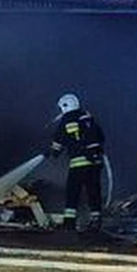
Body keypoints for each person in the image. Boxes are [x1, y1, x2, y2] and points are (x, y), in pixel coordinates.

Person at [46, 93, 105, 232]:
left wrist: (52, 152)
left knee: (72, 192)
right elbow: (101, 136)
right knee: (93, 191)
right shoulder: (87, 118)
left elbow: (59, 141)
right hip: (95, 163)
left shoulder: (67, 120)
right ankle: (96, 221)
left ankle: (69, 223)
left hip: (78, 164)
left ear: (65, 107)